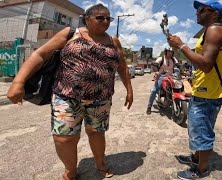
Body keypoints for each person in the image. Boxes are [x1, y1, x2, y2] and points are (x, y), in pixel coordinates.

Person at [6, 4, 133, 180]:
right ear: (87, 18)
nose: (105, 21)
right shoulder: (70, 34)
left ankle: (100, 164)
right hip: (66, 97)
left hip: (101, 99)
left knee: (97, 133)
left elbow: (122, 67)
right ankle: (70, 170)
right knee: (64, 138)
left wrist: (129, 90)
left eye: (108, 18)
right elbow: (40, 55)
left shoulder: (113, 41)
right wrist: (18, 82)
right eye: (100, 18)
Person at [167, 0, 222, 179]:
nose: (197, 13)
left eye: (201, 10)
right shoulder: (209, 32)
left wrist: (181, 45)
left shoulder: (215, 30)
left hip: (208, 94)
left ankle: (200, 171)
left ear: (215, 14)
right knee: (198, 130)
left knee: (202, 133)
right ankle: (196, 158)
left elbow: (206, 65)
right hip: (203, 92)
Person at [146, 47, 179, 114]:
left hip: (171, 76)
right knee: (154, 90)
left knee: (178, 87)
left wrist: (182, 70)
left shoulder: (173, 59)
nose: (170, 53)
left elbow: (178, 65)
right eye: (168, 52)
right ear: (166, 52)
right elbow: (155, 64)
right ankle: (149, 107)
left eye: (171, 52)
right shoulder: (161, 58)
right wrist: (156, 71)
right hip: (162, 76)